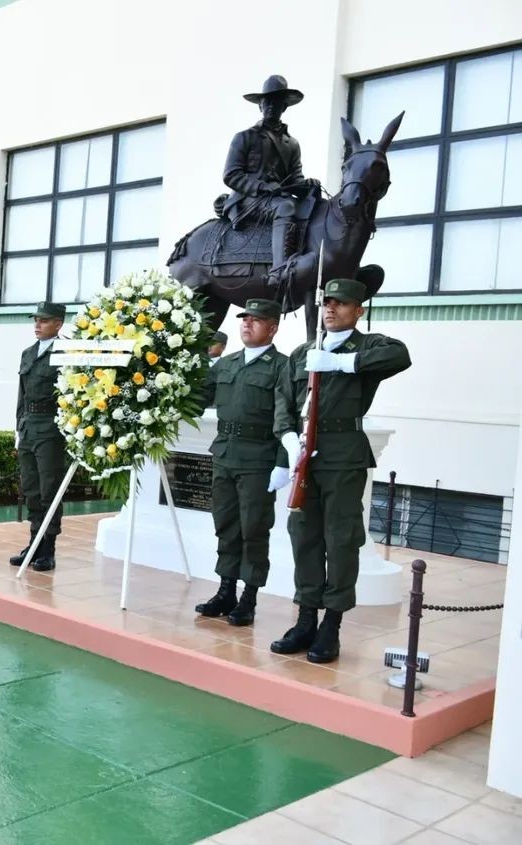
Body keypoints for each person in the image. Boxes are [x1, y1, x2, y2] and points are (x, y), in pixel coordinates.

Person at [271, 278, 411, 663]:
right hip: (304, 456)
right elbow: (283, 402)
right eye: (327, 302)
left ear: (358, 311)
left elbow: (400, 356)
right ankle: (305, 619)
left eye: (341, 303)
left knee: (341, 539)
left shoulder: (367, 347)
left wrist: (342, 362)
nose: (330, 309)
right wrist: (286, 441)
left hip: (342, 456)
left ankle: (331, 625)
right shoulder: (302, 352)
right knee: (304, 537)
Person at [194, 299, 290, 626]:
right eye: (245, 319)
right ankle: (226, 591)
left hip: (259, 459)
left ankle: (249, 597)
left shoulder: (282, 367)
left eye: (257, 320)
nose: (247, 324)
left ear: (273, 327)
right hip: (224, 454)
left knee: (254, 528)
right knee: (226, 524)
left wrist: (283, 463)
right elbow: (197, 401)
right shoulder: (226, 363)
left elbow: (289, 419)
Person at [222, 75, 320, 274]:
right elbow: (231, 175)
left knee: (311, 208)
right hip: (249, 200)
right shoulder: (245, 137)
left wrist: (306, 185)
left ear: (284, 107)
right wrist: (262, 186)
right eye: (266, 101)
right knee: (285, 207)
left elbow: (295, 179)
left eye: (275, 102)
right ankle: (279, 270)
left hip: (277, 198)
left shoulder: (292, 144)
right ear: (259, 105)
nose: (269, 106)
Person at [10, 302, 67, 572]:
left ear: (58, 323)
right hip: (29, 427)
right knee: (31, 488)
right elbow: (21, 394)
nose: (37, 325)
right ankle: (33, 543)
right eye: (36, 320)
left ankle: (48, 547)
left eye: (43, 321)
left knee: (49, 489)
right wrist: (18, 427)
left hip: (51, 428)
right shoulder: (27, 353)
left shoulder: (66, 353)